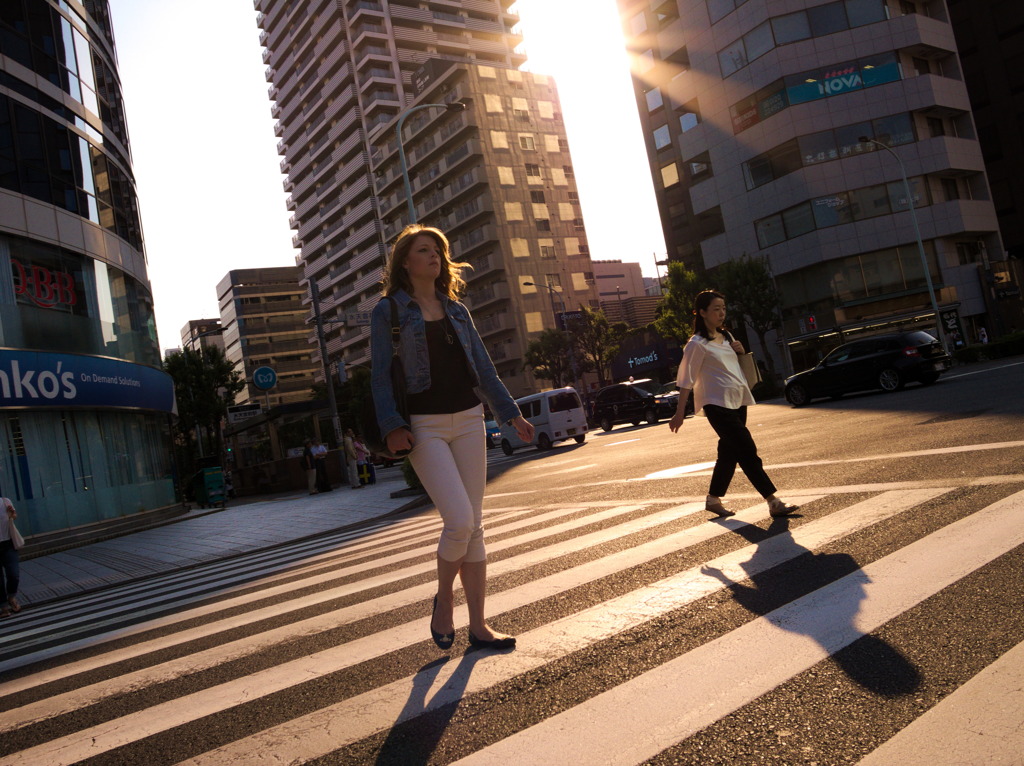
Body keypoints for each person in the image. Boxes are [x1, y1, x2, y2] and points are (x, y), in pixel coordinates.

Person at [371, 224, 534, 651]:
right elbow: (380, 378)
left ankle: (479, 626)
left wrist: (510, 413)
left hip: (467, 418)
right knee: (459, 520)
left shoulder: (457, 311)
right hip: (423, 425)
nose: (434, 258)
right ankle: (444, 602)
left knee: (474, 526)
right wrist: (391, 426)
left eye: (438, 252)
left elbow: (484, 369)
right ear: (405, 262)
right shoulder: (387, 312)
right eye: (425, 251)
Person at [668, 289, 798, 518]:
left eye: (724, 309)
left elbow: (733, 368)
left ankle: (713, 499)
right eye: (716, 309)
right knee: (747, 450)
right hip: (716, 404)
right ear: (702, 313)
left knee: (729, 452)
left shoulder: (727, 337)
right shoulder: (696, 344)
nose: (721, 313)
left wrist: (740, 352)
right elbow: (686, 381)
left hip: (737, 400)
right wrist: (679, 413)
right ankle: (773, 501)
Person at [1, 496, 22, 618]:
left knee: (13, 574)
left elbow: (14, 516)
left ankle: (11, 596)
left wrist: (12, 514)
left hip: (8, 543)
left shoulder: (5, 502)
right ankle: (3, 606)